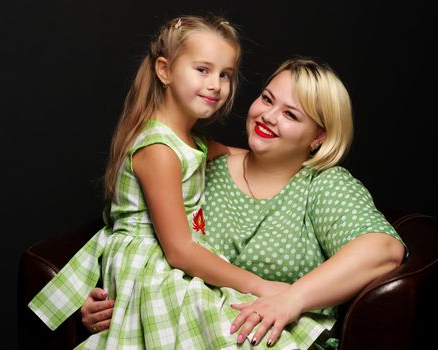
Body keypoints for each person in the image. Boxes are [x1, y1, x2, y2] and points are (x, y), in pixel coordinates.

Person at [80, 58, 407, 349]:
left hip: (269, 337)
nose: (268, 116)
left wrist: (291, 299)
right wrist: (109, 298)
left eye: (290, 115)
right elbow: (139, 235)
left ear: (318, 137)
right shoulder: (200, 164)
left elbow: (383, 250)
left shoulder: (323, 185)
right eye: (267, 99)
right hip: (183, 329)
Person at [28, 14, 291, 349]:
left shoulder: (189, 140)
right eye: (203, 69)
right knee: (226, 323)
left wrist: (288, 157)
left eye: (225, 74)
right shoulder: (158, 149)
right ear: (164, 70)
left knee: (250, 316)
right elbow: (180, 251)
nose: (216, 84)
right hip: (151, 265)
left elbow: (236, 154)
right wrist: (259, 284)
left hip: (175, 255)